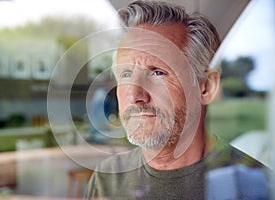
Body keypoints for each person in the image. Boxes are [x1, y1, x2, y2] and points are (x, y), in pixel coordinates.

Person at [85, 1, 266, 199]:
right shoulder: (107, 178)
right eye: (126, 74)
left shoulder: (254, 186)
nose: (134, 95)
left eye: (158, 73)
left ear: (205, 87)